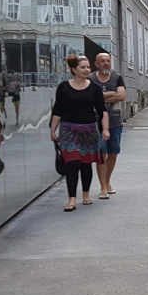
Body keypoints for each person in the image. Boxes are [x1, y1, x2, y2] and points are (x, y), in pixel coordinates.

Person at [50, 55, 109, 212]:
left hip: (89, 130)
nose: (86, 70)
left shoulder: (94, 88)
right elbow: (58, 111)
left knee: (86, 164)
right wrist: (52, 130)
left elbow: (102, 110)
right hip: (68, 130)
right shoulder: (63, 87)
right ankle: (72, 200)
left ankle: (86, 194)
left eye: (88, 67)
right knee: (72, 163)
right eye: (83, 67)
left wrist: (105, 129)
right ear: (73, 70)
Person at [90, 53, 126, 199]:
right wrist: (111, 94)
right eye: (102, 61)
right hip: (95, 121)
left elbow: (122, 96)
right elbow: (89, 97)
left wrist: (99, 97)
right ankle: (103, 187)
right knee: (101, 153)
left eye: (108, 61)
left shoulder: (117, 78)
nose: (106, 63)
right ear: (96, 64)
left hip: (115, 120)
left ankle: (107, 180)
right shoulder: (90, 79)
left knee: (112, 153)